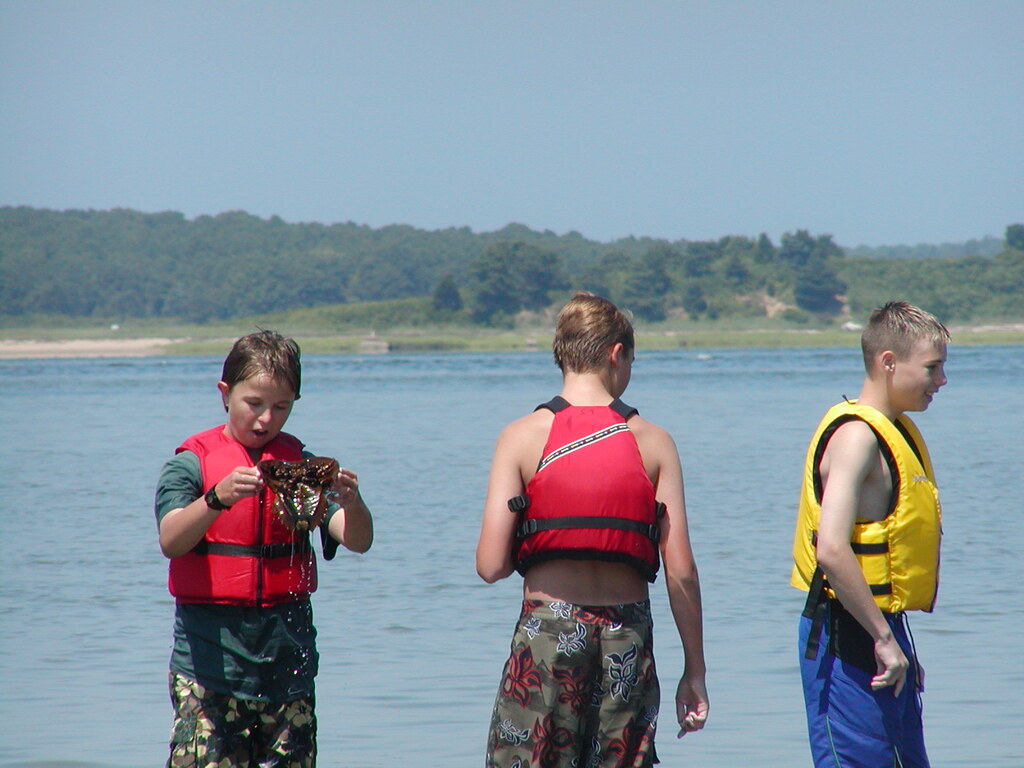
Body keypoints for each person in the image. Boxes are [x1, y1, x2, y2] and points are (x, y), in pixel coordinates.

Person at [477, 293, 708, 768]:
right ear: (616, 354)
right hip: (628, 637)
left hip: (546, 638)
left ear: (561, 354)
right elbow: (680, 571)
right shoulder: (654, 442)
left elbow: (490, 565)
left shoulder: (520, 437)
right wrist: (695, 670)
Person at [155, 330, 373, 767]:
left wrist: (354, 502)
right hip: (208, 669)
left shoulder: (300, 468)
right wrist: (216, 498)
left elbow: (358, 539)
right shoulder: (191, 465)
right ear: (225, 394)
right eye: (254, 404)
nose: (265, 420)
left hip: (286, 666)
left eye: (281, 407)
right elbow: (172, 539)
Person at [791, 301, 950, 767]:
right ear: (888, 363)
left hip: (885, 625)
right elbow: (832, 550)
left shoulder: (897, 433)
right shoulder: (856, 438)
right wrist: (882, 639)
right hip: (845, 634)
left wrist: (895, 639)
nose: (941, 380)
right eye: (932, 368)